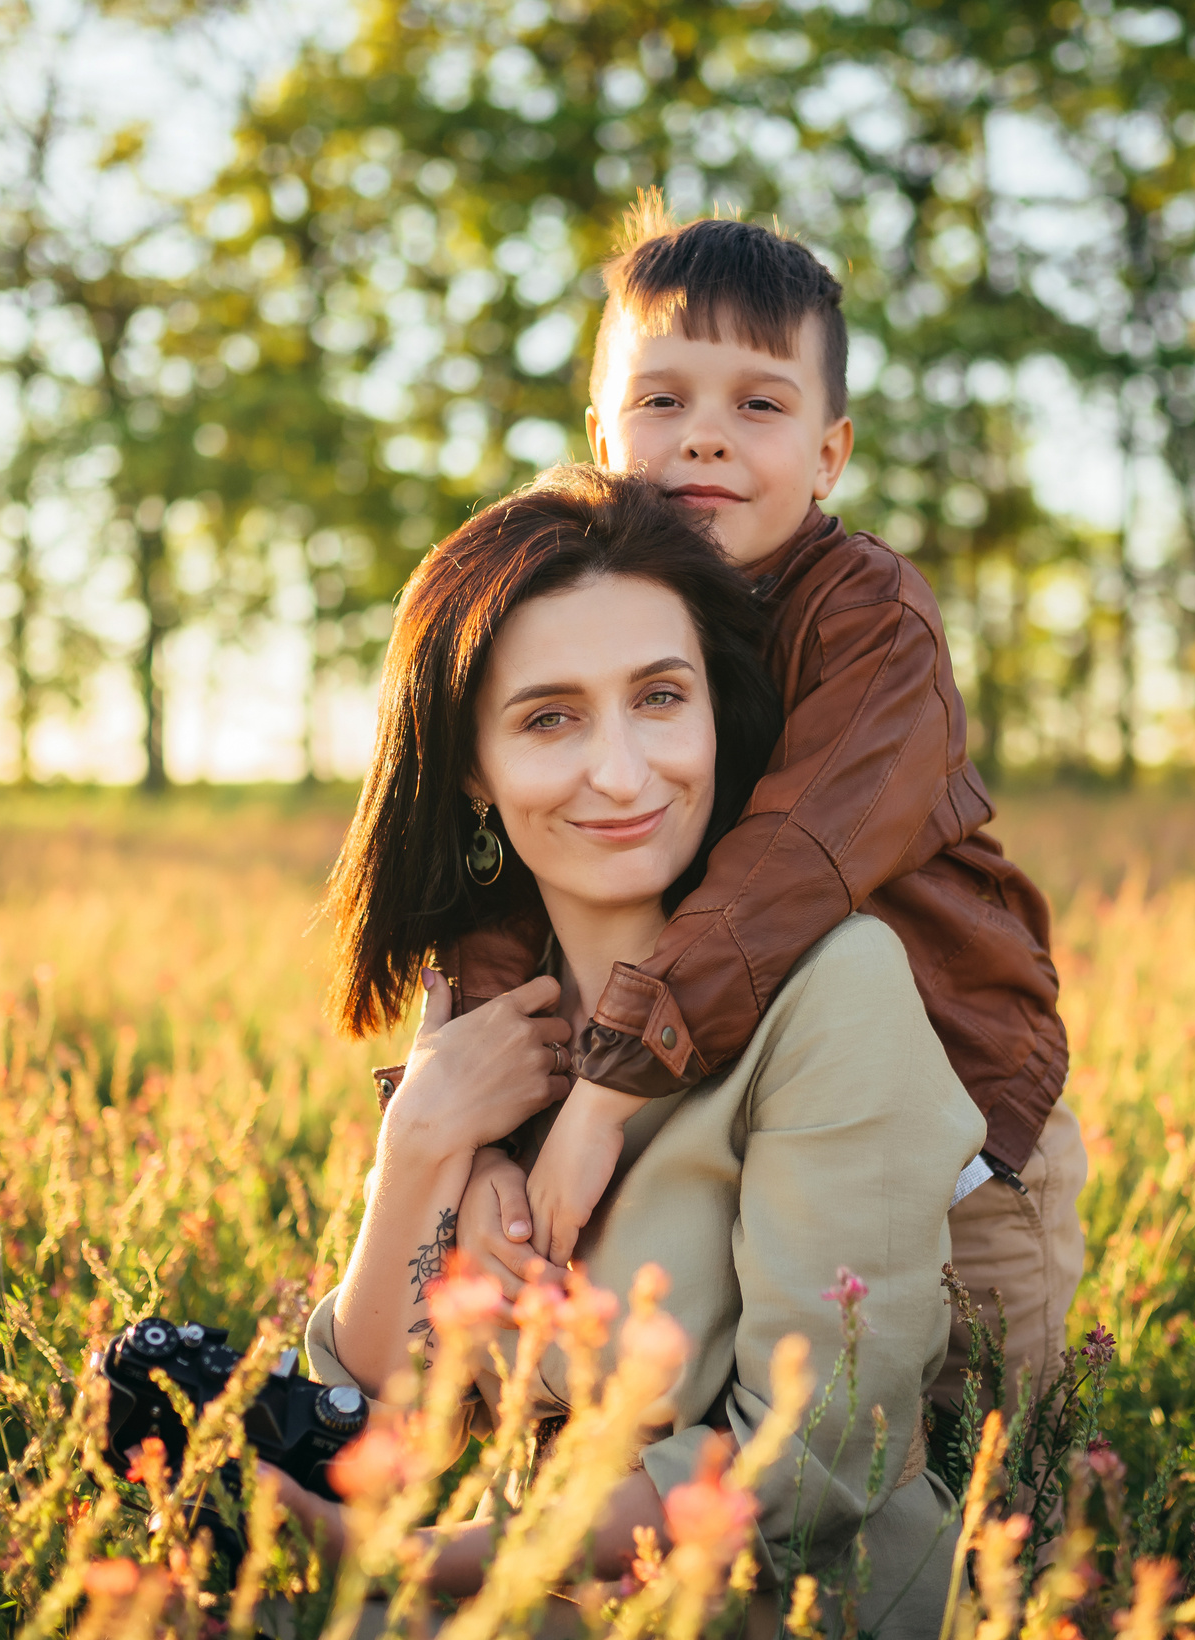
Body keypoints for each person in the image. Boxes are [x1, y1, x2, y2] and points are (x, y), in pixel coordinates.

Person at [290, 464, 985, 1640]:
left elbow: (824, 1449)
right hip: (549, 1602)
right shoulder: (488, 1015)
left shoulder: (835, 987)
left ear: (718, 710)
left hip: (801, 1636)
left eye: (660, 698)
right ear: (470, 769)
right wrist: (417, 1150)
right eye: (550, 717)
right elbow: (381, 1422)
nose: (620, 771)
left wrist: (454, 1560)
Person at [417, 196, 1084, 1415]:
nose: (705, 440)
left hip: (958, 1127)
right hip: (737, 1098)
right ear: (599, 431)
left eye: (758, 405)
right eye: (662, 400)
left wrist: (602, 1094)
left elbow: (790, 863)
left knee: (963, 1446)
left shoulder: (867, 618)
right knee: (736, 1413)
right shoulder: (592, 605)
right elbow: (507, 874)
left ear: (830, 453)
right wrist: (475, 1136)